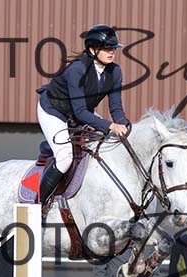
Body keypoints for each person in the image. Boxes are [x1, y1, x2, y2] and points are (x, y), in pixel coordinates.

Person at [35, 24, 131, 204]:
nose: (112, 52)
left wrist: (124, 123)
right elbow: (80, 113)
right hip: (54, 111)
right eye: (107, 48)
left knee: (106, 144)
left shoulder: (115, 72)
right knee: (65, 158)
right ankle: (37, 205)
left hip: (81, 111)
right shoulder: (77, 69)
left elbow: (116, 108)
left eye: (113, 48)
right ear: (92, 50)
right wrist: (111, 126)